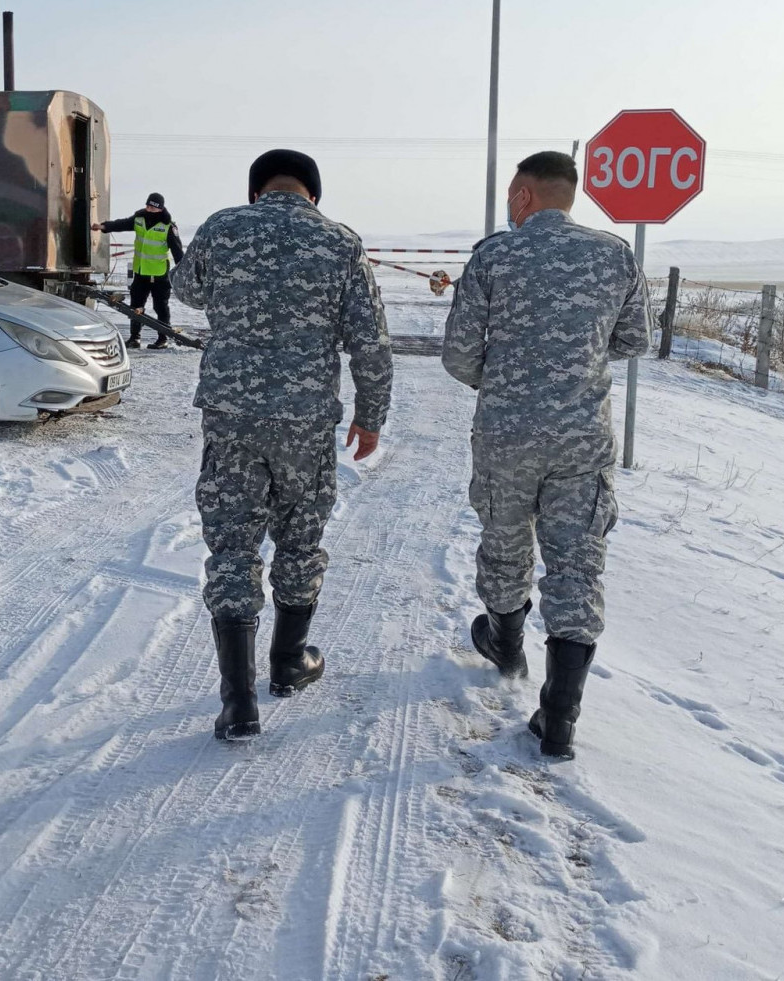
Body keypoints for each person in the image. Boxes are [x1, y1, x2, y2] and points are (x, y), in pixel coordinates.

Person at [171, 149, 393, 741]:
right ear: (312, 193)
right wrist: (371, 417)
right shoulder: (339, 242)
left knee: (233, 545)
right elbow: (370, 342)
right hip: (306, 420)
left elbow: (186, 290)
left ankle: (238, 701)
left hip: (232, 417)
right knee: (301, 537)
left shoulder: (223, 227)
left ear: (256, 191)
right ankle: (289, 664)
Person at [441, 151, 650, 759]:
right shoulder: (613, 254)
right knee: (576, 563)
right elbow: (634, 338)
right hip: (581, 438)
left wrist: (505, 384)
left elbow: (457, 355)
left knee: (505, 546)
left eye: (512, 193)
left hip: (506, 435)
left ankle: (506, 648)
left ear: (524, 195)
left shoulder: (494, 256)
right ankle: (558, 718)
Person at [93, 193, 184, 348]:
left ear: (160, 209)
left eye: (153, 207)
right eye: (147, 206)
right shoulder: (139, 219)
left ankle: (162, 339)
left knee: (160, 307)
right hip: (140, 272)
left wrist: (182, 272)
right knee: (136, 306)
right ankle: (135, 338)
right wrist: (104, 226)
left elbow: (177, 252)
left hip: (159, 274)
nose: (149, 209)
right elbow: (122, 224)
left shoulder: (168, 226)